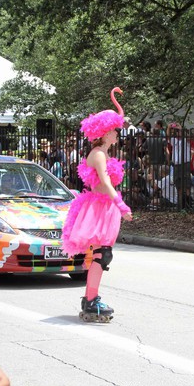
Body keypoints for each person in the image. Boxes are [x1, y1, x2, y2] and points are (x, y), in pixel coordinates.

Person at [62, 87, 133, 322]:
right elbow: (103, 181)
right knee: (101, 255)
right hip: (100, 207)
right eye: (114, 131)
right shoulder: (99, 155)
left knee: (102, 254)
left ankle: (91, 299)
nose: (116, 134)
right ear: (104, 132)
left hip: (104, 207)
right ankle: (91, 301)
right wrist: (121, 205)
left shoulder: (102, 152)